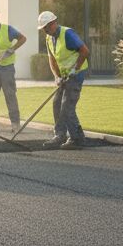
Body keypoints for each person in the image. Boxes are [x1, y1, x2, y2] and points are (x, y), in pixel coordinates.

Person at [38, 10, 90, 150]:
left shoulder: (68, 34)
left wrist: (75, 69)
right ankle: (59, 135)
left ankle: (77, 138)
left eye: (46, 27)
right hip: (64, 76)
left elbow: (85, 51)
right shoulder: (49, 38)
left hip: (76, 74)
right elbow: (52, 59)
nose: (45, 31)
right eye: (43, 29)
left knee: (67, 106)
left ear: (54, 23)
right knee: (56, 103)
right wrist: (57, 77)